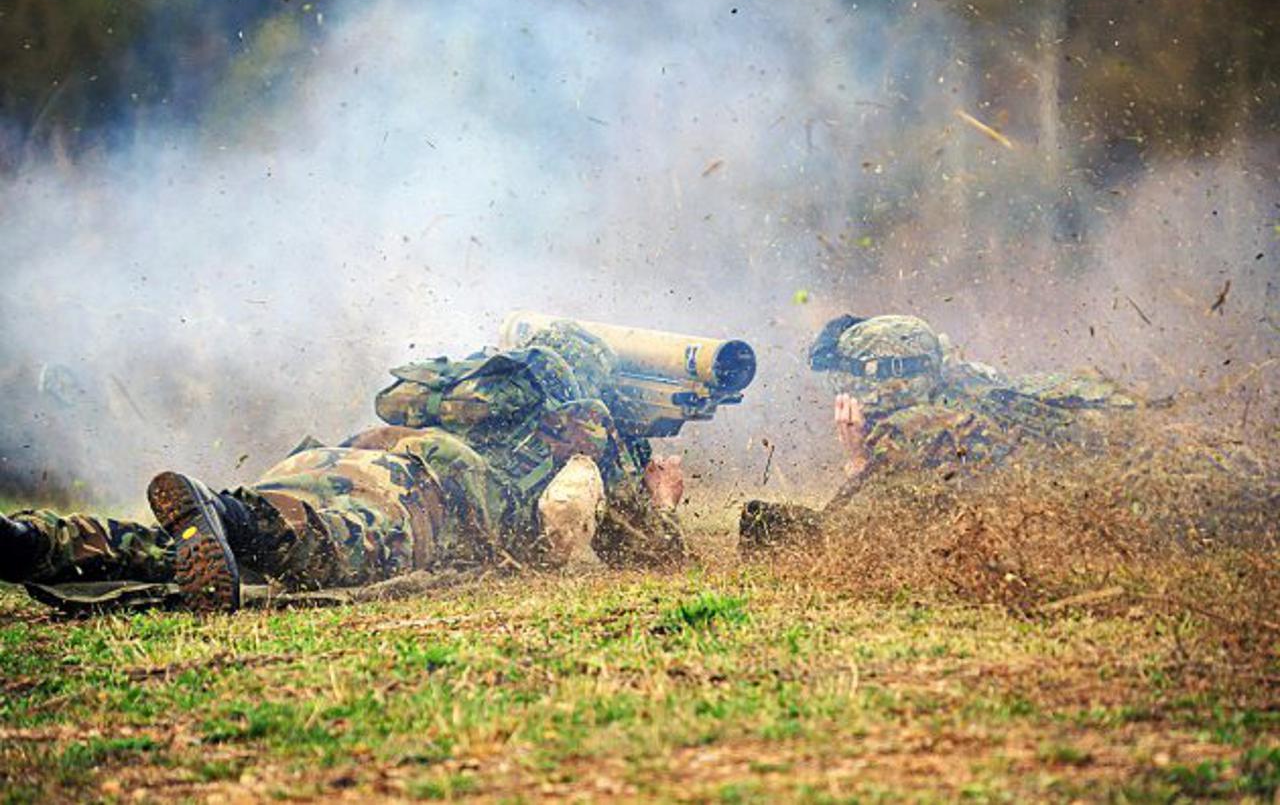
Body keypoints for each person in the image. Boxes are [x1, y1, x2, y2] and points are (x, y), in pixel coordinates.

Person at [0, 322, 689, 612]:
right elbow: (652, 559)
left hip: (338, 454)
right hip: (422, 490)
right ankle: (221, 508)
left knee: (178, 550)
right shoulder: (588, 433)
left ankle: (29, 541)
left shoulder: (469, 387)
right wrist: (660, 494)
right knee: (324, 548)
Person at [739, 313, 1137, 552]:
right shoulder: (969, 386)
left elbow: (850, 540)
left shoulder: (913, 429)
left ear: (875, 378)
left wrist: (859, 461)